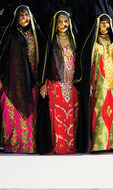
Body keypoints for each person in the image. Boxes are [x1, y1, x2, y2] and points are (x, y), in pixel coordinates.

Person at [0, 6, 41, 153]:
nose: (24, 18)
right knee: (11, 117)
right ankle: (12, 146)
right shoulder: (10, 34)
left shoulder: (37, 35)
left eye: (27, 15)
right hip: (10, 83)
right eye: (21, 16)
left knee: (30, 118)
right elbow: (2, 57)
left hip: (31, 84)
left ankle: (29, 146)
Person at [76, 14, 113, 153]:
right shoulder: (92, 43)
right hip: (98, 85)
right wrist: (88, 84)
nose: (104, 26)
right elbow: (87, 66)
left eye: (107, 24)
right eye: (102, 24)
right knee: (99, 112)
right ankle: (99, 144)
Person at [38, 11, 80, 155]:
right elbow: (44, 63)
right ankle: (57, 146)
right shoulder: (50, 39)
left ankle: (70, 146)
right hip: (55, 83)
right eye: (60, 22)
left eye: (65, 21)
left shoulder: (74, 39)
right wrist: (43, 83)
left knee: (71, 116)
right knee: (57, 115)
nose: (63, 25)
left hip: (71, 84)